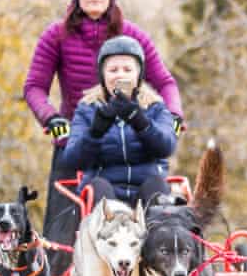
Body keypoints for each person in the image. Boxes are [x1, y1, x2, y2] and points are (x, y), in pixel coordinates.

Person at [23, 0, 184, 274]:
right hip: (78, 135)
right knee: (62, 229)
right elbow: (34, 87)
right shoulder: (56, 36)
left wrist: (174, 114)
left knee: (158, 195)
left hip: (134, 136)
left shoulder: (132, 36)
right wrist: (51, 118)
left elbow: (165, 82)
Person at [61, 35, 178, 207]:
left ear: (138, 74)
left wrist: (139, 120)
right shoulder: (88, 108)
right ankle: (111, 230)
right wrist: (96, 131)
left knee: (158, 187)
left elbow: (166, 147)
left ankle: (159, 231)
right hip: (105, 188)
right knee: (98, 187)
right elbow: (73, 160)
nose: (120, 75)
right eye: (113, 70)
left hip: (146, 187)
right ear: (103, 75)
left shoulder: (155, 106)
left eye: (127, 70)